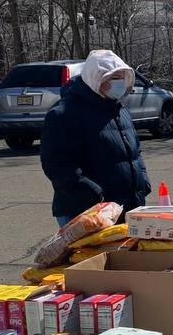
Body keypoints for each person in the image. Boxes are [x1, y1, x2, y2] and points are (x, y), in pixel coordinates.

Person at [40, 50, 151, 226]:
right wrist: (94, 195)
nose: (119, 82)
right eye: (113, 77)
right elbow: (57, 163)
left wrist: (142, 182)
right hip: (86, 213)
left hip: (125, 208)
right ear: (96, 78)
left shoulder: (119, 110)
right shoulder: (65, 113)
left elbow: (135, 153)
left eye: (122, 76)